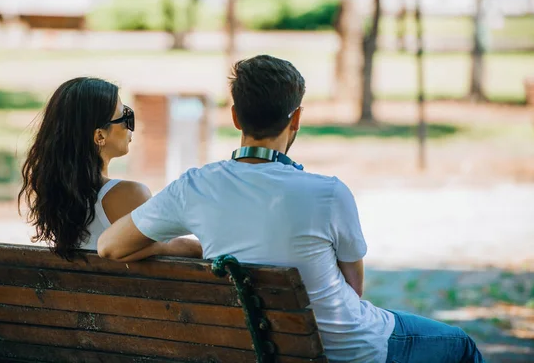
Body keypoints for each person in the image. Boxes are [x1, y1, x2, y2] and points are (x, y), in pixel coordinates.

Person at [97, 56, 484, 362]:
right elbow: (354, 289)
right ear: (295, 118)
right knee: (459, 344)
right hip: (354, 349)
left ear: (235, 117)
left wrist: (177, 244)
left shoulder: (195, 186)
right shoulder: (329, 193)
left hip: (255, 346)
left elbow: (110, 247)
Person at [18, 77, 201, 261]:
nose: (131, 127)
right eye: (125, 117)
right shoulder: (128, 194)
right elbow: (163, 250)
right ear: (100, 135)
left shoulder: (59, 197)